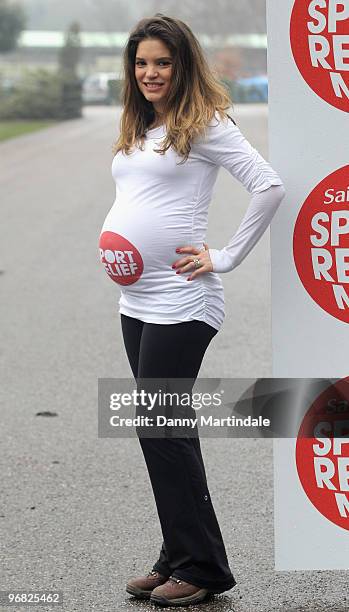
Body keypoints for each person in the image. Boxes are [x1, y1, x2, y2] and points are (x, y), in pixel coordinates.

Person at [98, 13, 286, 608]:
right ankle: (177, 554)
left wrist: (224, 257)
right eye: (142, 62)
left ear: (183, 66)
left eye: (163, 62)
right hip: (138, 299)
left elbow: (269, 185)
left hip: (184, 299)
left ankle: (202, 568)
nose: (151, 72)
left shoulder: (204, 123)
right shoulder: (143, 123)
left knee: (160, 427)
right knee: (163, 430)